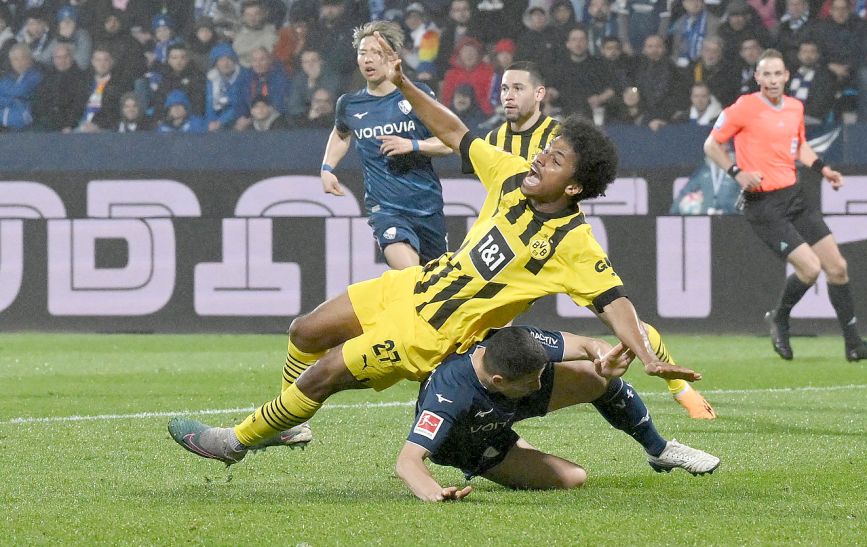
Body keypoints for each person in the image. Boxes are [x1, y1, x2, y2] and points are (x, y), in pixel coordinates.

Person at [167, 28, 710, 466]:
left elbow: (614, 302)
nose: (541, 157)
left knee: (325, 372)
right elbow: (455, 132)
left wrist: (646, 356)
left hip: (432, 331)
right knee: (305, 330)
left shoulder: (573, 243)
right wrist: (404, 85)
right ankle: (290, 426)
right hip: (413, 286)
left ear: (572, 187)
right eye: (548, 149)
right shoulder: (511, 173)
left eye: (556, 159)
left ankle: (235, 441)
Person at [476, 60, 716, 419]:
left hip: (554, 250)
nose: (508, 96)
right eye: (504, 89)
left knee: (614, 312)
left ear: (539, 94)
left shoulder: (562, 139)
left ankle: (676, 383)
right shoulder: (495, 138)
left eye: (517, 88)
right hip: (505, 251)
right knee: (493, 343)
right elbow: (459, 144)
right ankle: (487, 414)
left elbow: (580, 188)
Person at [703, 48, 867, 363]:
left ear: (787, 76)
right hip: (763, 204)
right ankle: (779, 317)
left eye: (778, 73)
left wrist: (823, 169)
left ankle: (854, 344)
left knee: (838, 267)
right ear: (757, 77)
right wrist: (737, 172)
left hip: (794, 197)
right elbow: (711, 144)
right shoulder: (744, 108)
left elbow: (799, 147)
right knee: (810, 268)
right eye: (767, 74)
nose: (773, 80)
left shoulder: (794, 108)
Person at [397, 326, 720, 501]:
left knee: (595, 377)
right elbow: (408, 461)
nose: (541, 385)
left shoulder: (518, 343)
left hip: (509, 400)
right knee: (572, 478)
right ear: (499, 380)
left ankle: (659, 450)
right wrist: (434, 493)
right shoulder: (450, 395)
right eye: (532, 380)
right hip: (471, 440)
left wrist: (602, 356)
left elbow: (587, 344)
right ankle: (516, 453)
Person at [318, 20, 453, 270]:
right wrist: (327, 168)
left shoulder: (418, 95)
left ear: (391, 57)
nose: (367, 60)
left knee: (435, 288)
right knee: (410, 277)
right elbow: (341, 133)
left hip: (427, 207)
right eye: (362, 53)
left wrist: (413, 145)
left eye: (376, 53)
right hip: (386, 210)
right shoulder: (349, 104)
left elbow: (449, 143)